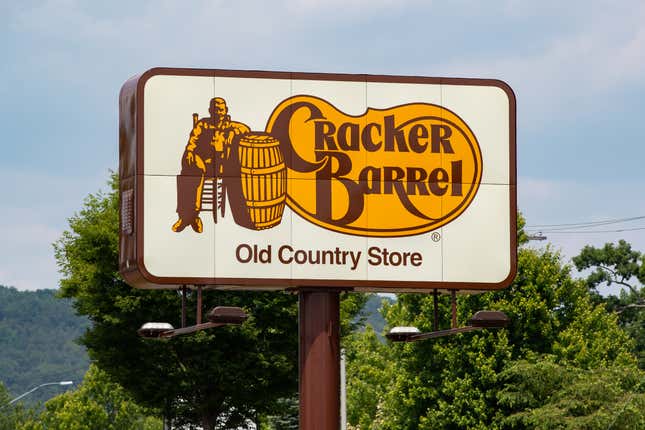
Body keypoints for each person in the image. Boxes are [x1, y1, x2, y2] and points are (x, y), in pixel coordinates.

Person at [172, 97, 250, 233]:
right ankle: (189, 217)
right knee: (189, 171)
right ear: (210, 111)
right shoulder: (203, 125)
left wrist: (235, 133)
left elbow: (246, 131)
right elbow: (192, 141)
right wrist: (190, 151)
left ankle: (190, 216)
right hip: (202, 165)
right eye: (215, 109)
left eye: (221, 109)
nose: (218, 112)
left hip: (222, 166)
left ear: (226, 111)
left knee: (192, 174)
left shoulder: (233, 126)